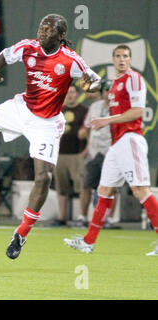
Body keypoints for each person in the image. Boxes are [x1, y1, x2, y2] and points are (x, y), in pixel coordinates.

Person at [0, 14, 101, 259]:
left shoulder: (70, 60)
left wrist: (92, 86)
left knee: (43, 178)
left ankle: (22, 233)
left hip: (46, 123)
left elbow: (93, 80)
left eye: (48, 30)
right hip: (22, 108)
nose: (42, 33)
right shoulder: (28, 47)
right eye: (41, 27)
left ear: (61, 35)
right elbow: (4, 54)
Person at [64, 44, 158, 256]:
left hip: (131, 139)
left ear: (130, 59)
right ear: (113, 60)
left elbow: (138, 111)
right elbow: (96, 93)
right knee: (104, 191)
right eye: (118, 56)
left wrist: (107, 119)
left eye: (125, 56)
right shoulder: (114, 84)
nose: (122, 59)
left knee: (140, 190)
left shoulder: (134, 78)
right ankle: (88, 241)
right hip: (116, 145)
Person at [77, 79, 115, 228]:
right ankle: (82, 216)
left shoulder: (118, 107)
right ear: (102, 92)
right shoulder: (94, 106)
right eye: (106, 90)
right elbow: (87, 128)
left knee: (111, 187)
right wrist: (87, 146)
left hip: (110, 150)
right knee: (86, 184)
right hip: (94, 150)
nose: (108, 93)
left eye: (111, 90)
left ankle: (109, 218)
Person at [51, 84, 88, 226]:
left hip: (77, 154)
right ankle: (62, 217)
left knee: (81, 187)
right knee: (62, 188)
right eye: (67, 93)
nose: (70, 95)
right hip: (60, 154)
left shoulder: (84, 111)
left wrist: (86, 151)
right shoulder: (58, 110)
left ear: (77, 94)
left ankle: (81, 217)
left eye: (72, 92)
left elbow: (89, 132)